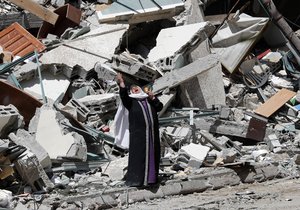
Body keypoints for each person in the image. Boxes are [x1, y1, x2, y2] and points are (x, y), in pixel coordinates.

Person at [116, 73, 163, 187]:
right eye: (132, 89)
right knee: (139, 158)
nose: (134, 89)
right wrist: (121, 83)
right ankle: (139, 181)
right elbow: (123, 96)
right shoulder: (131, 102)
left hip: (152, 135)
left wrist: (153, 97)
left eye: (136, 87)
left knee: (152, 155)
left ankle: (151, 180)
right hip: (139, 136)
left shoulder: (148, 99)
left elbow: (159, 107)